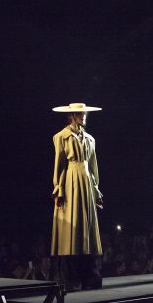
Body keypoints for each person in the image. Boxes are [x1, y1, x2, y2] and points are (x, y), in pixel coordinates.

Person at [51, 102, 103, 290]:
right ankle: (71, 278)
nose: (84, 116)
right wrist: (58, 190)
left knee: (88, 228)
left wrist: (96, 192)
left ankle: (90, 276)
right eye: (80, 113)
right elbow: (59, 164)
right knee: (71, 230)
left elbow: (94, 165)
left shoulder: (90, 139)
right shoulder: (62, 137)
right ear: (72, 115)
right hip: (71, 181)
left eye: (85, 113)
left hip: (86, 181)